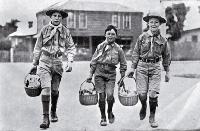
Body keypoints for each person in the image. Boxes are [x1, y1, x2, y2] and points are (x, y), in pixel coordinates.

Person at [32, 8, 76, 129]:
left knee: (54, 91)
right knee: (46, 89)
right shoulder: (44, 30)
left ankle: (53, 111)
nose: (57, 18)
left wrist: (70, 62)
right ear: (50, 17)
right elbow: (37, 47)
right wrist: (35, 63)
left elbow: (71, 47)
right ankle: (45, 118)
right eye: (54, 15)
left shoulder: (65, 31)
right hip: (44, 61)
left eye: (59, 16)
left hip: (57, 62)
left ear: (61, 18)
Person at [127, 12, 171, 128]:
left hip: (155, 67)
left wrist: (167, 72)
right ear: (148, 24)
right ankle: (143, 106)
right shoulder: (142, 37)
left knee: (152, 93)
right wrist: (132, 68)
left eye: (156, 22)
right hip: (141, 66)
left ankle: (152, 116)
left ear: (160, 24)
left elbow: (166, 56)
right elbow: (136, 53)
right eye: (151, 22)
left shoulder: (163, 40)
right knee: (142, 94)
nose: (153, 24)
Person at [86, 25, 127, 126]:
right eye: (108, 34)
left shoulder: (119, 49)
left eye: (113, 34)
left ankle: (110, 111)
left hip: (111, 75)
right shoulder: (100, 47)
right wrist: (90, 74)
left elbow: (123, 64)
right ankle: (103, 117)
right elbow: (94, 61)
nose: (110, 36)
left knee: (109, 96)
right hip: (99, 73)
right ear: (105, 35)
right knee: (102, 96)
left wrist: (122, 77)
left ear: (116, 36)